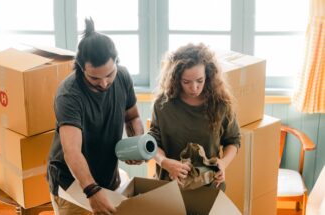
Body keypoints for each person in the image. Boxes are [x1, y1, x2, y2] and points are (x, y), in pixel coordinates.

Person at [47, 18, 144, 215]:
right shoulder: (69, 95)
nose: (104, 83)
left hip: (106, 177)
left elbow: (132, 116)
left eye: (109, 74)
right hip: (71, 184)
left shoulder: (123, 77)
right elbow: (72, 152)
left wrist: (137, 143)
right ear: (81, 67)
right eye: (95, 78)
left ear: (116, 62)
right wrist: (91, 190)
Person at [148, 43, 241, 190]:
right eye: (186, 82)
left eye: (200, 80)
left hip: (209, 187)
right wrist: (164, 162)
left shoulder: (220, 104)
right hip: (170, 187)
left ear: (208, 76)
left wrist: (223, 163)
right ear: (176, 78)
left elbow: (233, 140)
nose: (194, 88)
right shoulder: (163, 105)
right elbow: (152, 142)